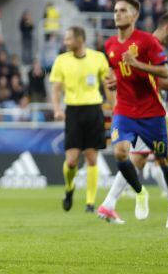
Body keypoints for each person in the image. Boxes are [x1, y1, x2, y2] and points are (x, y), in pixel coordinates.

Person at [97, 13, 168, 225]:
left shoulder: (145, 43)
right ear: (166, 29)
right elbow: (159, 81)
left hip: (143, 110)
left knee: (142, 158)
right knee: (164, 158)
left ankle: (109, 204)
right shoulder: (148, 43)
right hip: (150, 111)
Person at [103, 0, 168, 228]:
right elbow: (114, 73)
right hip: (125, 111)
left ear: (134, 15)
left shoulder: (147, 42)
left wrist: (137, 64)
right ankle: (140, 192)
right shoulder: (109, 45)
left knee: (165, 162)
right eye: (115, 10)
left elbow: (165, 72)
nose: (117, 14)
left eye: (123, 10)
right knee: (119, 153)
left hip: (151, 114)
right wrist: (112, 82)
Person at [49, 27, 113, 213]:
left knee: (92, 158)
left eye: (69, 39)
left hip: (94, 109)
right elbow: (56, 88)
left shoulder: (98, 58)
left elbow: (107, 85)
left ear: (80, 39)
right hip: (73, 111)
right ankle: (69, 189)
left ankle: (90, 203)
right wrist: (57, 109)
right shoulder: (61, 60)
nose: (66, 42)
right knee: (71, 161)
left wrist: (115, 106)